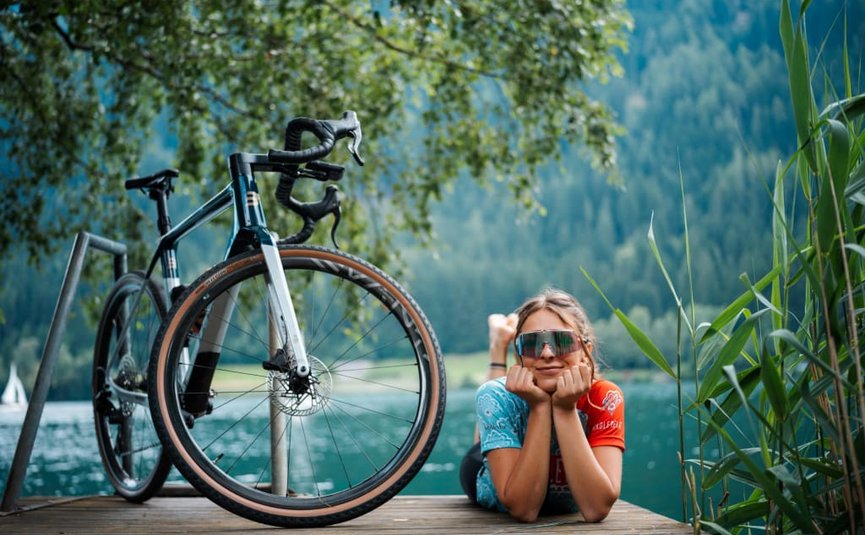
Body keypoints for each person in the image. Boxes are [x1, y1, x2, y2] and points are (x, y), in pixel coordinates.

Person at [459, 288, 625, 523]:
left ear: (585, 350)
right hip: (483, 468)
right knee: (493, 399)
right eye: (531, 344)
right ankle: (498, 347)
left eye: (562, 341)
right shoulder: (494, 395)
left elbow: (596, 508)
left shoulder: (605, 398)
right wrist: (538, 407)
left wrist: (564, 409)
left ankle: (500, 342)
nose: (547, 353)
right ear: (520, 358)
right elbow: (524, 510)